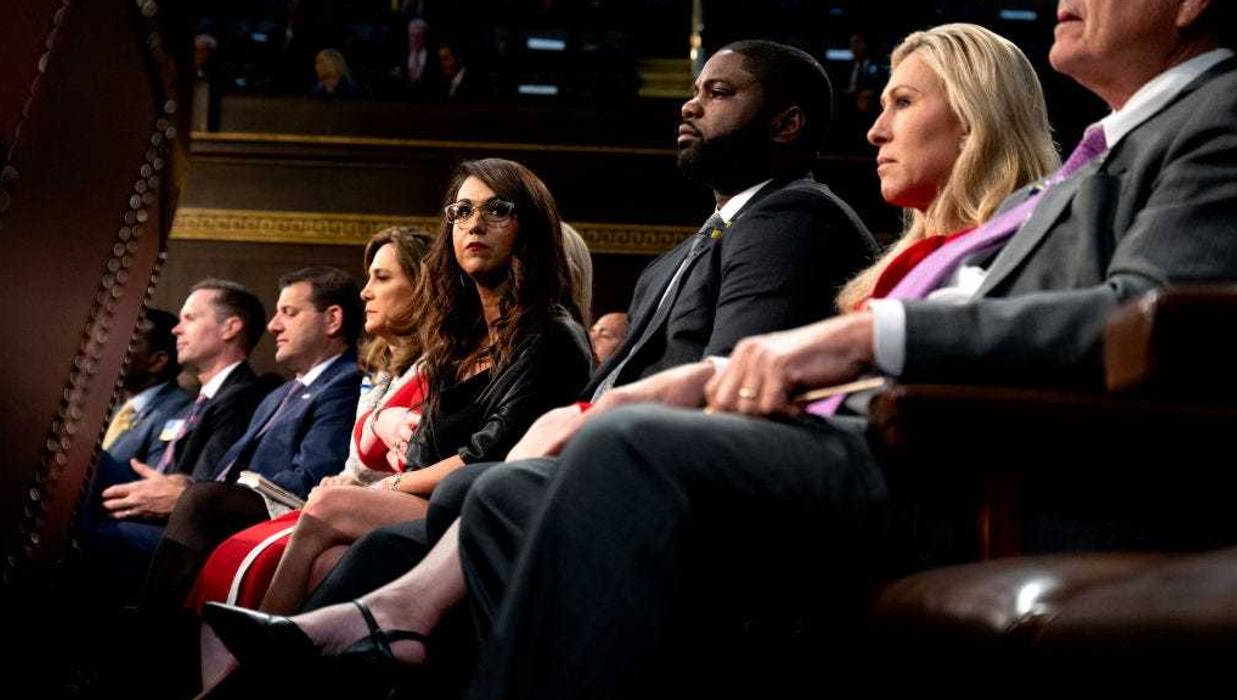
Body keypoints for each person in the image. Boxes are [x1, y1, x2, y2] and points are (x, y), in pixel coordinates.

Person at [448, 4, 1237, 696]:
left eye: (902, 102)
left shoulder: (1217, 110)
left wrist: (872, 334)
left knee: (631, 450)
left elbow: (1150, 322)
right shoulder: (1086, 161)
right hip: (916, 441)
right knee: (509, 500)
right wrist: (718, 377)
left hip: (1013, 476)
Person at [201, 37, 881, 688]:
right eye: (693, 90)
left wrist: (576, 426)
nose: (688, 105)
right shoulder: (683, 254)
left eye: (719, 92)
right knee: (391, 545)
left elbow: (732, 374)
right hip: (602, 461)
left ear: (786, 123)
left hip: (677, 483)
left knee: (487, 489)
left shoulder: (792, 216)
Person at [228, 159, 594, 628]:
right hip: (428, 500)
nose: (475, 224)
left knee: (328, 505)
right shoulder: (456, 337)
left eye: (497, 210)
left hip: (488, 508)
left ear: (531, 226)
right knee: (324, 561)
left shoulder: (553, 334)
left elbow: (492, 453)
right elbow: (424, 450)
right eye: (461, 212)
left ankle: (262, 647)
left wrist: (387, 486)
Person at [138, 267, 364, 616]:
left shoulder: (346, 383)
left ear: (332, 319)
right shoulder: (279, 394)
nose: (274, 325)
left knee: (202, 499)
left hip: (275, 515)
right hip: (224, 509)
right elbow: (224, 466)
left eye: (289, 313)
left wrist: (208, 493)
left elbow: (313, 475)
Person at [82, 280, 269, 595]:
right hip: (167, 510)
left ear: (230, 328)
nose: (176, 330)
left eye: (190, 318)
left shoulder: (241, 395)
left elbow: (203, 484)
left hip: (191, 527)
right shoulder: (207, 395)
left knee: (91, 465)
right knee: (86, 457)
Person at [101, 308, 193, 468]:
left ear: (157, 361)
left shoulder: (179, 412)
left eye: (128, 342)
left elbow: (152, 485)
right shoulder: (108, 403)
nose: (112, 348)